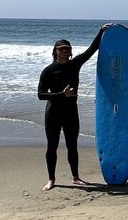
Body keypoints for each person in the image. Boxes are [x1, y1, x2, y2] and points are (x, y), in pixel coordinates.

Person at [38, 23, 110, 191]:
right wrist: (61, 95)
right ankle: (51, 179)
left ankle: (76, 177)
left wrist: (101, 31)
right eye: (61, 48)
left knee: (72, 145)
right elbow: (41, 94)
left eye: (67, 48)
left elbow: (91, 50)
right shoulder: (48, 71)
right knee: (52, 146)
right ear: (55, 51)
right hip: (53, 112)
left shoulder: (74, 64)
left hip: (71, 112)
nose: (65, 51)